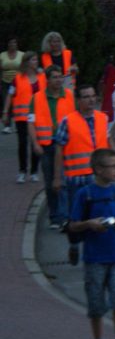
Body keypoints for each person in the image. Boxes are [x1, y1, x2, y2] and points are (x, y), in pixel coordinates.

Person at [67, 148, 115, 339]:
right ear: (98, 169)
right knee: (96, 305)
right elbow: (73, 224)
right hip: (95, 257)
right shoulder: (85, 194)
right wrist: (90, 224)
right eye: (112, 166)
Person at [55, 83, 110, 266]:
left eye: (93, 96)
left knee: (101, 217)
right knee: (76, 218)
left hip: (99, 179)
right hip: (76, 179)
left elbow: (108, 145)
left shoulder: (103, 118)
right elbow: (58, 148)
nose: (91, 100)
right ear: (78, 101)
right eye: (86, 97)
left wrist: (114, 166)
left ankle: (101, 257)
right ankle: (73, 245)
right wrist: (57, 177)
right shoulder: (68, 121)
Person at [29, 64, 75, 228]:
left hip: (65, 143)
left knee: (63, 181)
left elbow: (75, 119)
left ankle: (64, 216)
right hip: (46, 145)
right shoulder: (37, 98)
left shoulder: (69, 95)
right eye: (55, 77)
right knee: (50, 183)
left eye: (60, 77)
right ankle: (54, 216)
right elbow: (31, 122)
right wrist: (35, 143)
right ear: (47, 80)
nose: (58, 80)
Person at [4, 51, 43, 182]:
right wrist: (5, 112)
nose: (36, 62)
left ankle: (34, 172)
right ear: (26, 62)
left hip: (38, 116)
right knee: (22, 144)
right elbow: (10, 95)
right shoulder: (18, 78)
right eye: (33, 60)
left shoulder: (42, 77)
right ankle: (22, 171)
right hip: (22, 117)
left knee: (35, 143)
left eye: (36, 60)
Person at [2, 38, 24, 133]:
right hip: (5, 82)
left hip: (18, 82)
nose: (12, 44)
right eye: (10, 42)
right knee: (6, 102)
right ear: (8, 44)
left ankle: (19, 124)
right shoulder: (2, 55)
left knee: (18, 103)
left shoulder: (22, 55)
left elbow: (25, 68)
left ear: (17, 44)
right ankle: (7, 126)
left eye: (14, 42)